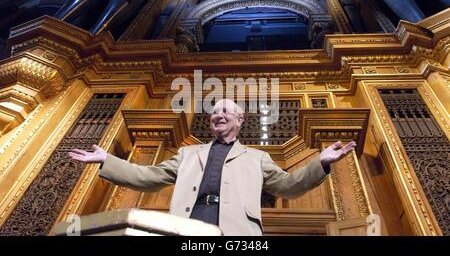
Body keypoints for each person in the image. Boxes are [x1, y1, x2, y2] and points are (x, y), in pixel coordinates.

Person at [68, 99, 356, 236]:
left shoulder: (257, 158)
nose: (218, 115)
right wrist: (108, 160)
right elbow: (150, 177)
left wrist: (320, 163)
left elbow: (288, 187)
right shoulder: (187, 153)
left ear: (240, 119)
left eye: (225, 111)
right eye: (214, 111)